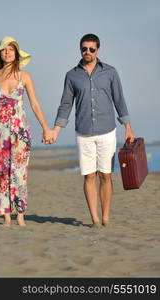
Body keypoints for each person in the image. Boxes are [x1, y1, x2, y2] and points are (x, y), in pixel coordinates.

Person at [50, 33, 135, 228]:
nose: (87, 52)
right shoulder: (71, 75)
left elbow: (119, 100)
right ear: (80, 49)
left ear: (98, 50)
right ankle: (95, 220)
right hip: (84, 132)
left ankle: (106, 217)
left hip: (107, 131)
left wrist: (128, 128)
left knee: (105, 175)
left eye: (91, 49)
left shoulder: (111, 72)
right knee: (89, 176)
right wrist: (56, 130)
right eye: (84, 48)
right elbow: (65, 104)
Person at [0, 36, 52, 227]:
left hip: (20, 131)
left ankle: (20, 215)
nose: (7, 52)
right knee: (2, 173)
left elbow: (35, 104)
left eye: (11, 49)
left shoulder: (25, 76)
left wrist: (45, 128)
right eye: (4, 49)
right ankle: (6, 216)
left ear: (16, 54)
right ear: (0, 53)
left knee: (19, 173)